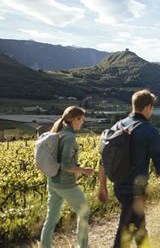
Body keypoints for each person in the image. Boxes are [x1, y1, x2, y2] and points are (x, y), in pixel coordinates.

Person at [98, 89, 160, 248]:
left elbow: (104, 160)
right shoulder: (150, 131)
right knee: (124, 232)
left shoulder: (117, 125)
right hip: (135, 191)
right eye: (152, 108)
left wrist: (102, 186)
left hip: (118, 187)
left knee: (139, 228)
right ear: (148, 107)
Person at [40, 106, 96, 248]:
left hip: (52, 181)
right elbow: (66, 166)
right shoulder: (70, 137)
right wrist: (84, 170)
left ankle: (44, 246)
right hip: (66, 184)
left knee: (52, 217)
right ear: (74, 120)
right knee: (84, 212)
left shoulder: (59, 132)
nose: (82, 123)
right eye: (81, 120)